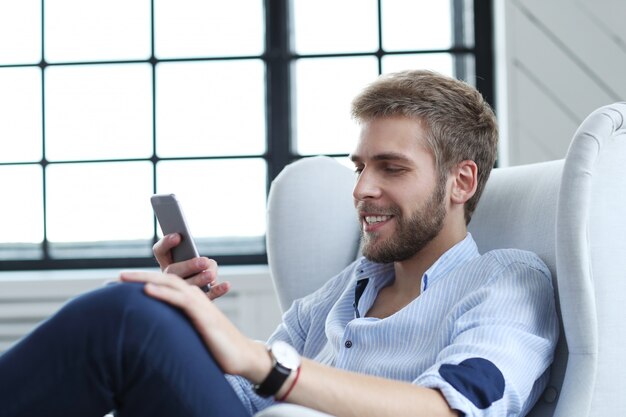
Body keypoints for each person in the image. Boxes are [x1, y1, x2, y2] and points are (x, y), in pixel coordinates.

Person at [0, 70, 558, 417]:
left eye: (391, 168)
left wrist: (270, 364)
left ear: (461, 182)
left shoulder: (508, 279)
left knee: (126, 315)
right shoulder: (343, 292)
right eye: (360, 167)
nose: (363, 189)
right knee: (149, 311)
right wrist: (189, 330)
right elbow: (248, 397)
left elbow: (450, 410)